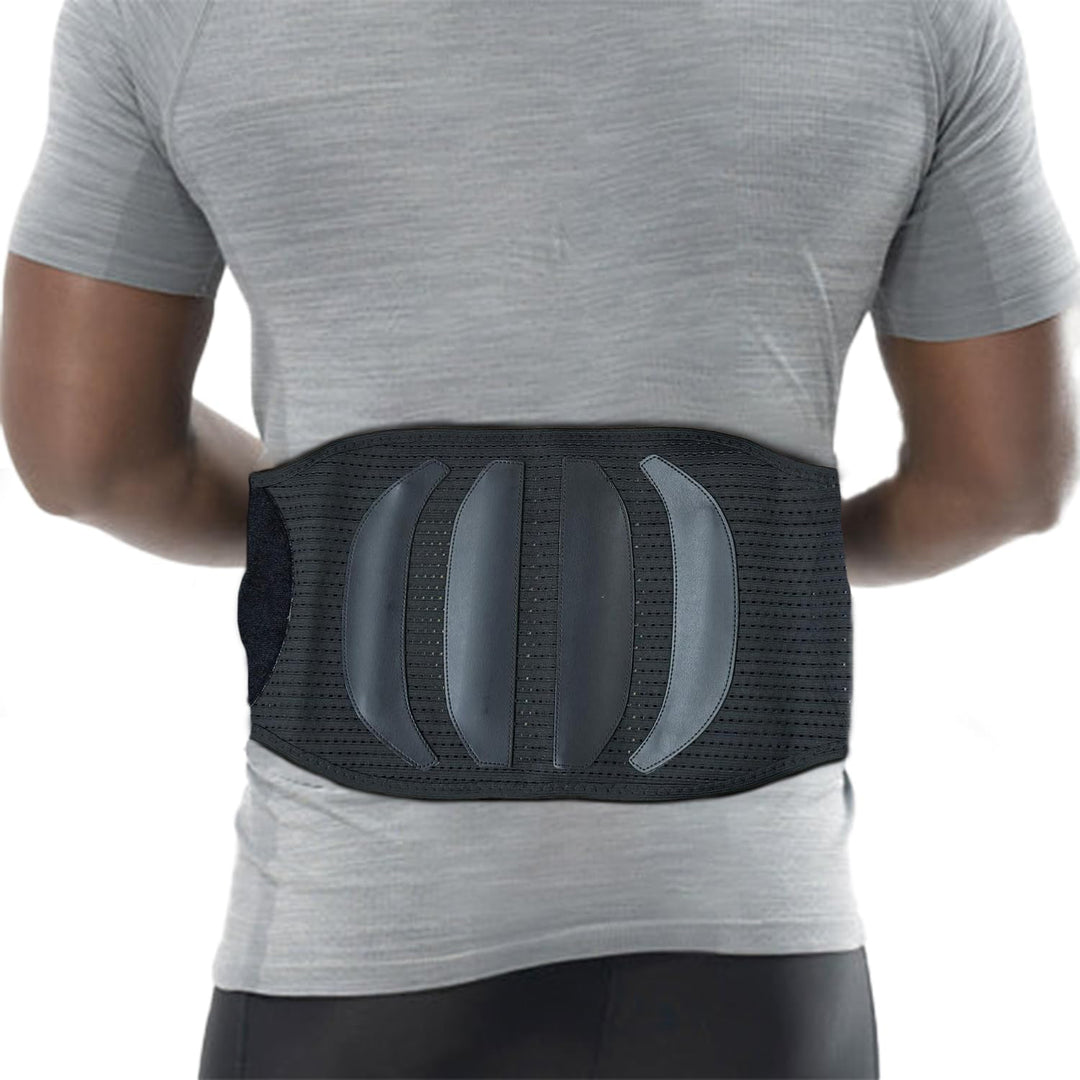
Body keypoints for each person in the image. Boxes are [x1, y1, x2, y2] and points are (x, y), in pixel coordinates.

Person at [3, 1, 1076, 1077]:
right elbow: (1004, 481)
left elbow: (89, 460)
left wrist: (337, 544)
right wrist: (744, 576)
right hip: (757, 945)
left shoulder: (168, 15)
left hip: (352, 948)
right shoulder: (922, 18)